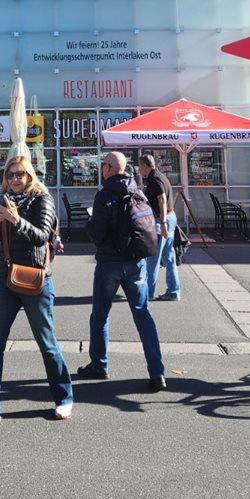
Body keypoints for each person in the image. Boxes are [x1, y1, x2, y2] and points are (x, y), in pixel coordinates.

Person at [0, 153, 72, 429]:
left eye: (19, 174)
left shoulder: (42, 200)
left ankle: (64, 397)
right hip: (6, 278)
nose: (14, 179)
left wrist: (14, 219)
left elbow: (41, 235)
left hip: (35, 279)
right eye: (10, 175)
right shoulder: (2, 200)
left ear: (29, 176)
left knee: (46, 344)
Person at [77, 151, 166, 391]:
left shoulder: (105, 195)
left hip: (110, 262)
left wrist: (89, 223)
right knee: (142, 314)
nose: (101, 168)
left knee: (100, 314)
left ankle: (100, 365)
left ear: (110, 168)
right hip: (136, 262)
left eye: (103, 164)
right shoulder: (138, 191)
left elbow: (96, 233)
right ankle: (157, 372)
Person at [138, 153, 180, 302]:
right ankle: (174, 291)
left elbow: (161, 199)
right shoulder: (160, 176)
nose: (139, 171)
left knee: (153, 259)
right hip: (171, 217)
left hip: (161, 220)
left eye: (139, 167)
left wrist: (162, 223)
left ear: (144, 165)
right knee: (169, 258)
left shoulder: (154, 179)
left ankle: (148, 292)